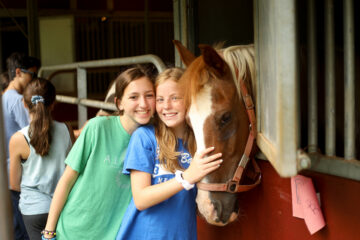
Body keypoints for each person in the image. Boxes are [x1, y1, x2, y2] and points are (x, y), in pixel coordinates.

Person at [42, 66, 156, 240]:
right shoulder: (98, 127)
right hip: (72, 231)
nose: (143, 103)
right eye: (134, 97)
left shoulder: (155, 139)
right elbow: (66, 181)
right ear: (119, 103)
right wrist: (49, 232)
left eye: (149, 95)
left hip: (113, 235)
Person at [116, 68, 223, 240]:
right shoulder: (145, 137)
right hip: (143, 235)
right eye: (160, 99)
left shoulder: (199, 143)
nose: (166, 106)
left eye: (175, 98)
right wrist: (186, 177)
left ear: (189, 99)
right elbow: (141, 199)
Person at [9, 78, 74, 240]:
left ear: (24, 104)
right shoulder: (67, 129)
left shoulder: (18, 139)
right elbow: (72, 170)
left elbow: (15, 184)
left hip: (34, 211)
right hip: (63, 206)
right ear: (53, 104)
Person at [2, 52, 40, 240]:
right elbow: (35, 131)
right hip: (18, 173)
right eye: (32, 75)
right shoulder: (16, 100)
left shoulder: (4, 97)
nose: (34, 80)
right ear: (18, 72)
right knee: (23, 230)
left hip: (9, 173)